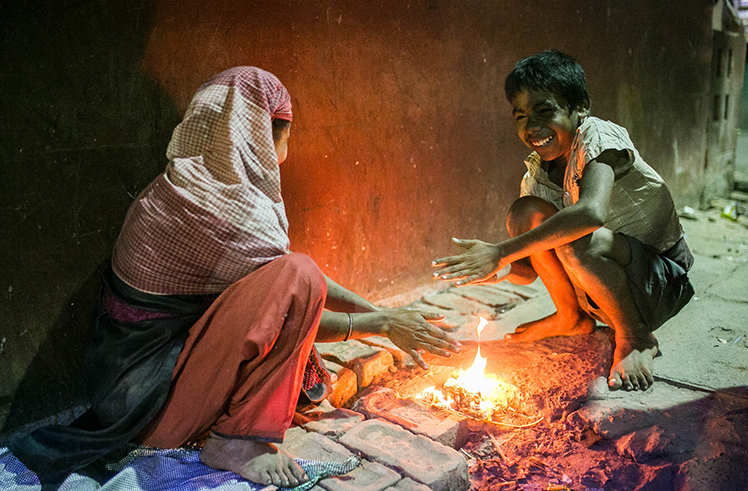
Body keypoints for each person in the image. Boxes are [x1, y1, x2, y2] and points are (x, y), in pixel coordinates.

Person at [11, 66, 462, 489]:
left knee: (296, 276)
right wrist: (382, 324)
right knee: (299, 274)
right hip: (148, 410)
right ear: (265, 138)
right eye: (286, 135)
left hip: (125, 389)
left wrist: (388, 314)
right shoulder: (225, 214)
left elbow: (274, 287)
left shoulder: (185, 188)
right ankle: (237, 441)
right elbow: (291, 301)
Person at [432, 50, 693, 393]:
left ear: (581, 107)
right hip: (598, 292)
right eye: (521, 116)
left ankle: (636, 337)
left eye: (545, 111)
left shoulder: (599, 138)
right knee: (525, 212)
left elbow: (591, 213)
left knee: (576, 234)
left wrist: (500, 251)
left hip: (658, 282)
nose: (532, 127)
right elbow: (530, 269)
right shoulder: (538, 175)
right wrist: (500, 268)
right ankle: (571, 317)